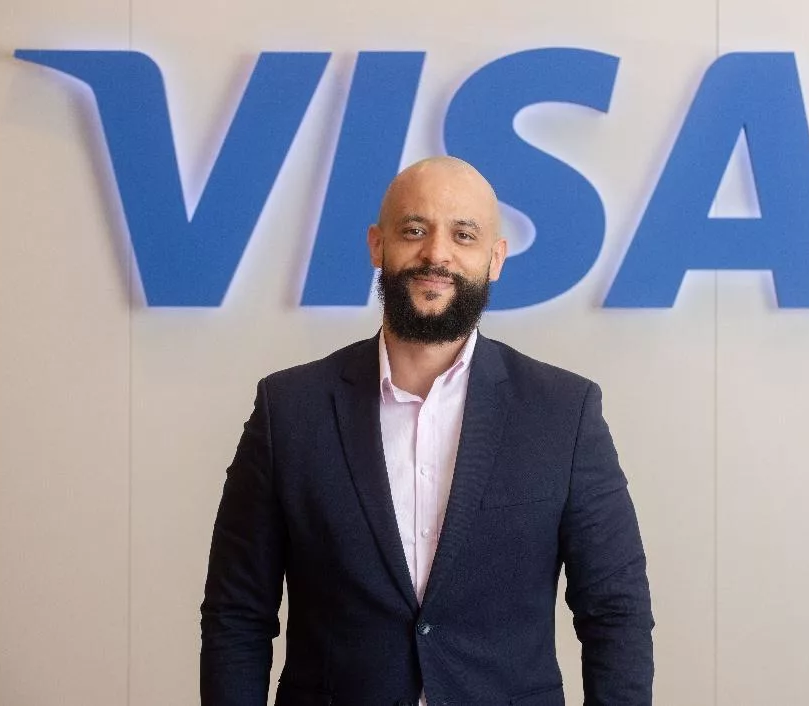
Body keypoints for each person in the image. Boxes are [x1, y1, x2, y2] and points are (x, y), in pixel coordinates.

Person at [200, 156, 654, 706]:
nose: (437, 253)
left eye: (463, 235)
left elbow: (615, 612)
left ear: (495, 259)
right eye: (414, 230)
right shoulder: (289, 410)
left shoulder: (563, 412)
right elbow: (237, 613)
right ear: (378, 245)